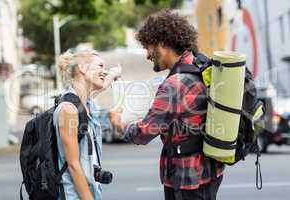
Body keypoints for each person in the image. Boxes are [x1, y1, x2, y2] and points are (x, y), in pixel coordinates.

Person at [109, 10, 224, 200]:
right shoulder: (200, 67)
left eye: (148, 47)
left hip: (188, 179)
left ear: (162, 43)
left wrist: (118, 124)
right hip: (210, 171)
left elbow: (144, 132)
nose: (147, 55)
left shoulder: (175, 84)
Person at [54, 48, 120, 200]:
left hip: (90, 192)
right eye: (100, 66)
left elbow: (103, 85)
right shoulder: (69, 109)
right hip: (73, 196)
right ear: (82, 68)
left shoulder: (86, 103)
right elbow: (73, 165)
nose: (104, 71)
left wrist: (114, 74)